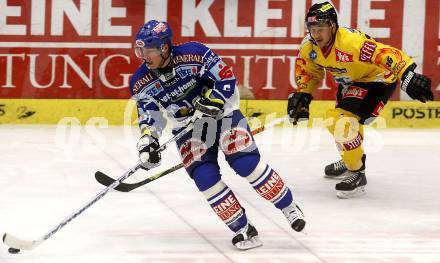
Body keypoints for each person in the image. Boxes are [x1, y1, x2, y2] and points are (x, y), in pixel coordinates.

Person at [130, 20, 306, 250]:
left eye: (149, 50)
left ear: (164, 47)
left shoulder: (195, 53)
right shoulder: (140, 82)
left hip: (223, 114)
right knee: (204, 176)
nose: (144, 56)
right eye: (140, 51)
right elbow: (149, 116)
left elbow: (225, 78)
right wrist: (148, 142)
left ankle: (288, 206)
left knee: (245, 163)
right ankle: (243, 228)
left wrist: (212, 101)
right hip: (188, 127)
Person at [287, 2, 434, 199]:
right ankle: (350, 159)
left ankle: (356, 172)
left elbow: (386, 53)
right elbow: (309, 72)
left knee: (340, 122)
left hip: (377, 81)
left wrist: (407, 75)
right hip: (351, 82)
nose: (316, 35)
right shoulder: (309, 47)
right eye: (312, 29)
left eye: (320, 29)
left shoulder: (351, 43)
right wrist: (303, 94)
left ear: (332, 26)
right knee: (345, 124)